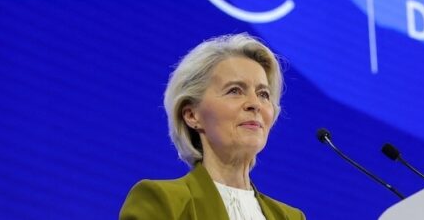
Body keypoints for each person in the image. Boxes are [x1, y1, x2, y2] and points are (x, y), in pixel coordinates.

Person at [120, 33, 306, 220]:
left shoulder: (291, 217)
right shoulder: (163, 202)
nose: (255, 104)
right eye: (235, 91)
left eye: (263, 94)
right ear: (192, 115)